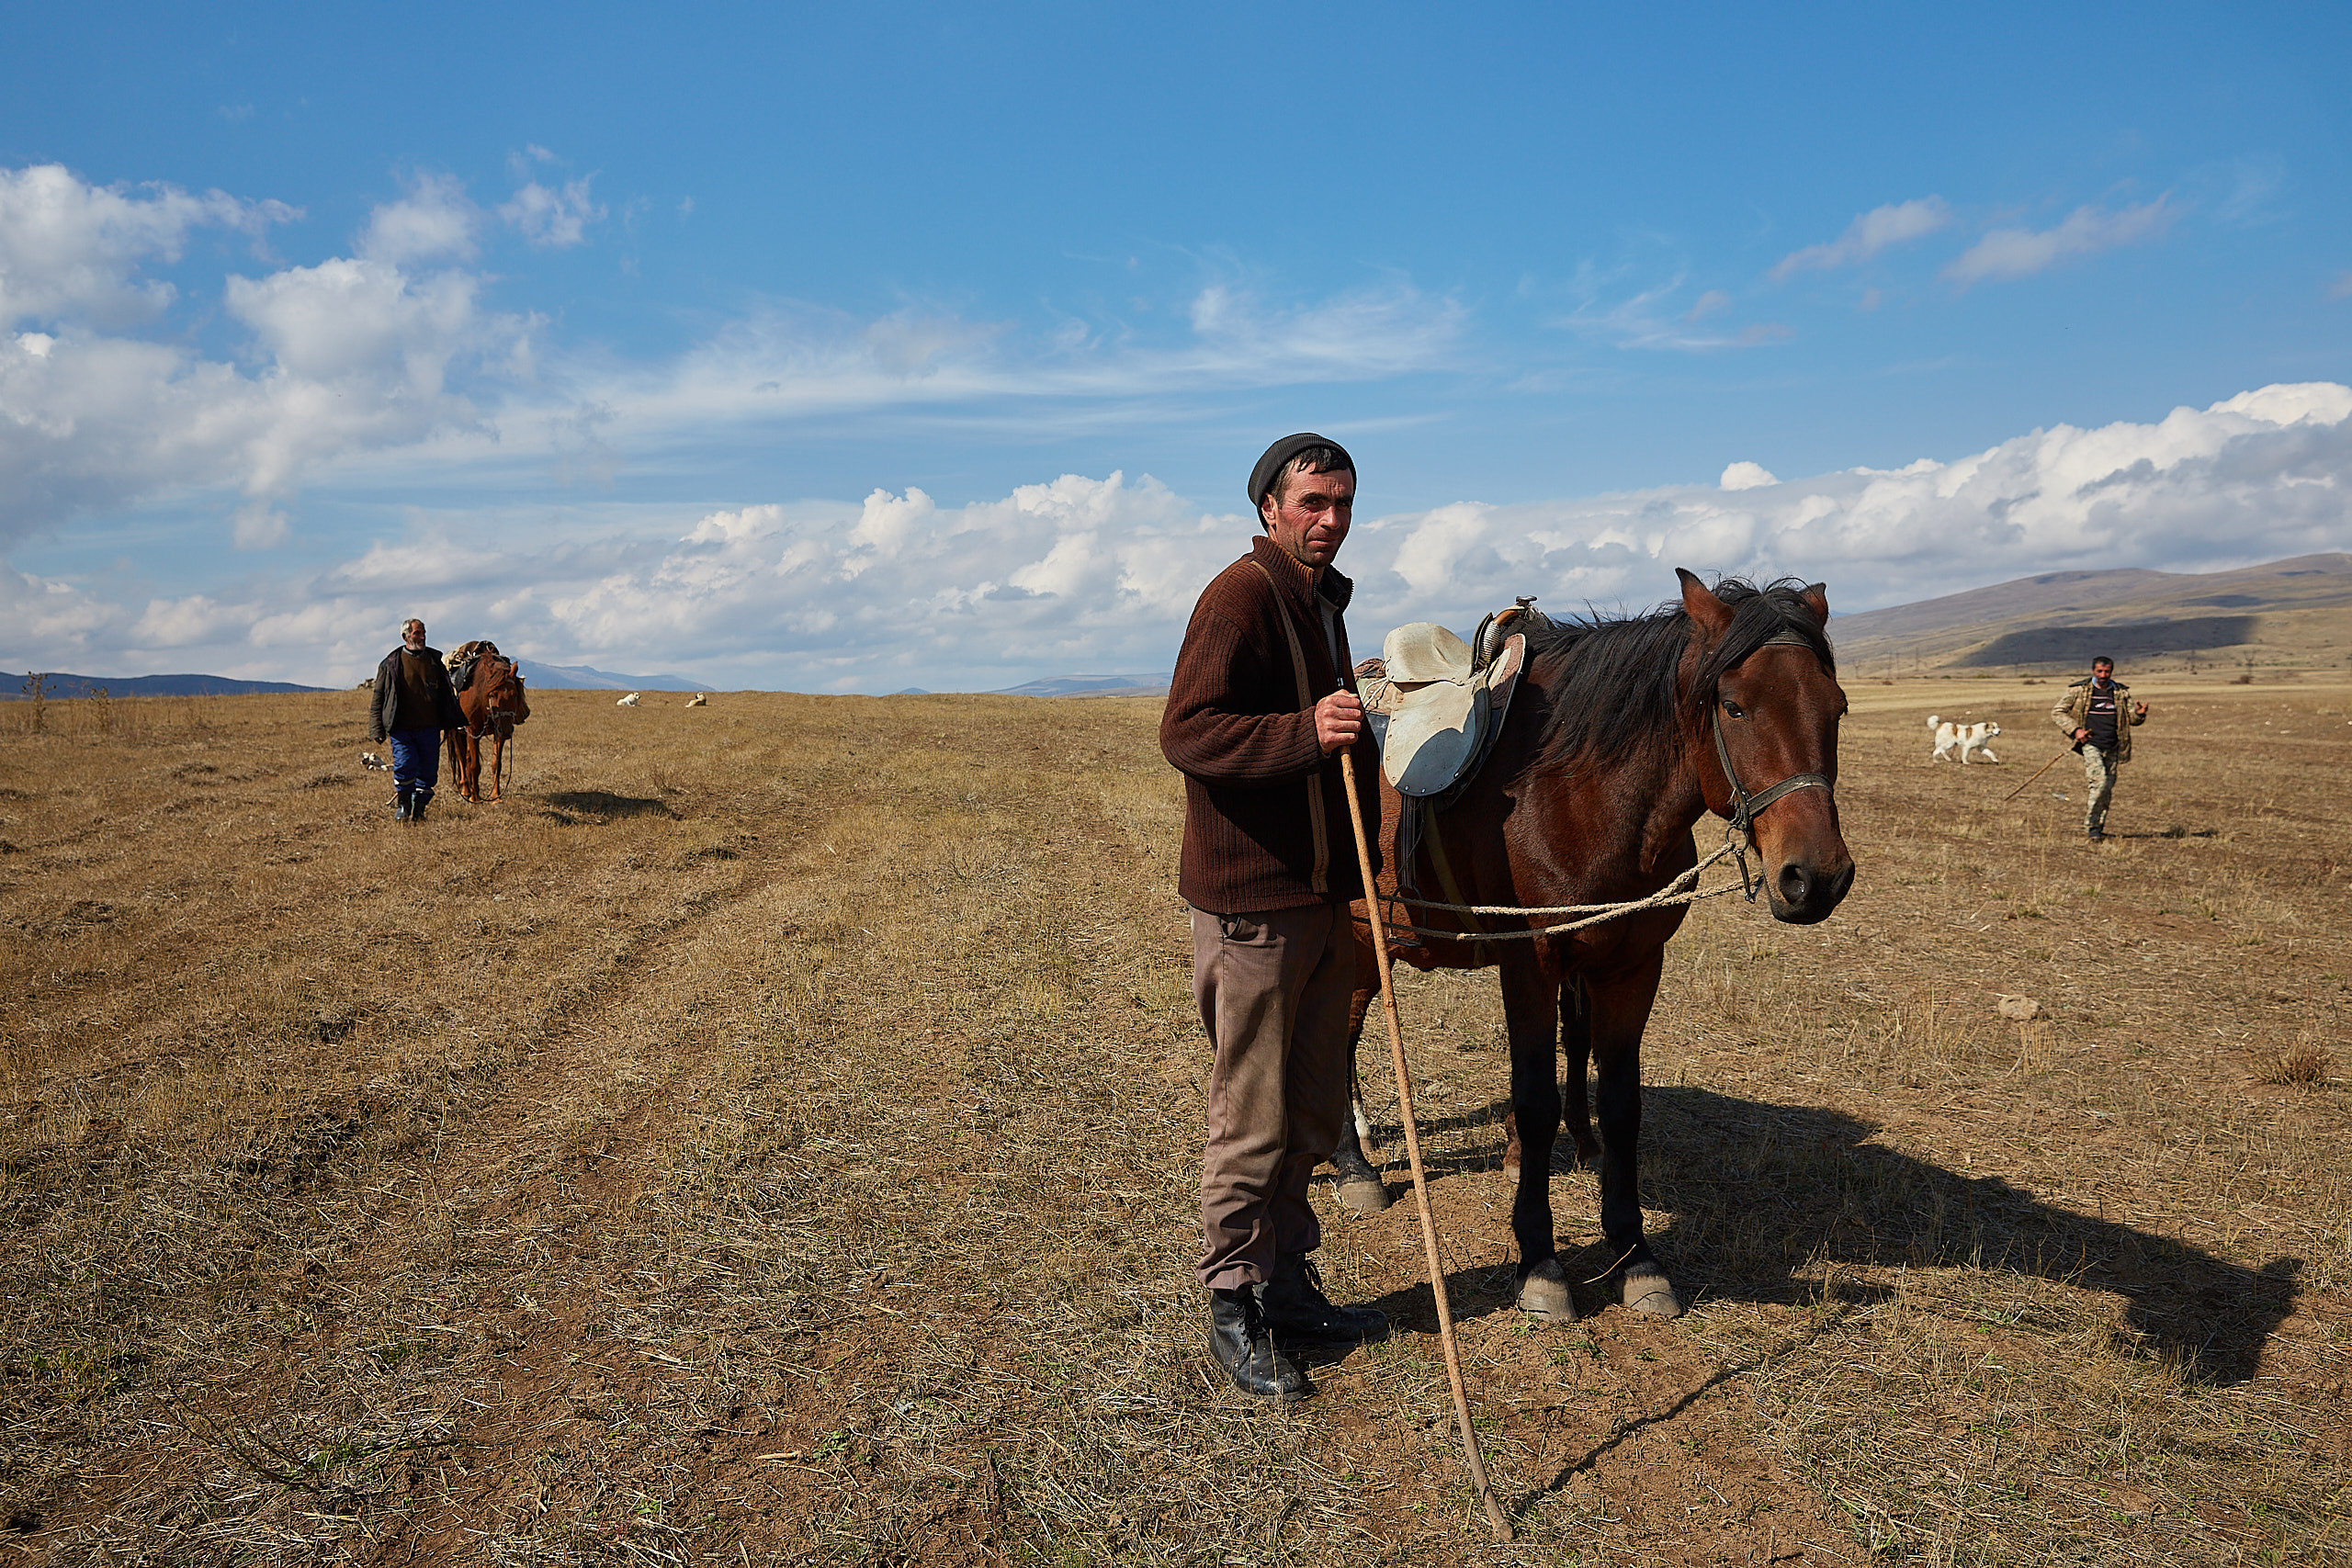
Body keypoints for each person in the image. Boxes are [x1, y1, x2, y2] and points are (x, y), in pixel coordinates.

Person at [1159, 433, 1390, 1401]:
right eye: (1311, 503)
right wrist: (1305, 732)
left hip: (1318, 903)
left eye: (1340, 503)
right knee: (1249, 1122)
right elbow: (1188, 729)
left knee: (1309, 1110)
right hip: (1251, 908)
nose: (1328, 519)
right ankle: (1234, 1307)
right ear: (1268, 507)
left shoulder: (1320, 602)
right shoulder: (1241, 595)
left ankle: (1289, 1283)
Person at [368, 618, 463, 822]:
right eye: (417, 633)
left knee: (429, 773)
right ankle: (404, 806)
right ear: (405, 637)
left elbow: (447, 696)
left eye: (423, 633)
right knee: (404, 764)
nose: (421, 637)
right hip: (401, 728)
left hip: (429, 728)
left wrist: (452, 722)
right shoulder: (391, 663)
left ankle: (419, 810)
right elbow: (378, 698)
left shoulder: (434, 661)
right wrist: (377, 729)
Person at [2050, 655, 2150, 843]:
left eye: (2107, 671)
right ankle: (2092, 826)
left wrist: (2139, 714)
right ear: (2093, 671)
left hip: (2113, 746)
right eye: (2099, 671)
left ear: (2111, 671)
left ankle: (2099, 826)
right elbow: (2057, 711)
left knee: (2107, 789)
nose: (2103, 675)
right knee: (2100, 784)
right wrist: (2076, 730)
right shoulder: (2079, 690)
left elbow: (2132, 720)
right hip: (2090, 744)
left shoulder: (2120, 692)